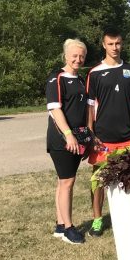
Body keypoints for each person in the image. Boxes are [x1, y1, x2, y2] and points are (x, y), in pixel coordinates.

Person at [86, 28, 130, 237]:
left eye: (118, 43)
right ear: (104, 45)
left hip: (129, 136)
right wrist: (91, 133)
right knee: (98, 180)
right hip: (103, 137)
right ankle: (97, 219)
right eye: (110, 44)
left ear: (122, 44)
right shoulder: (94, 73)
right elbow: (90, 106)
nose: (114, 47)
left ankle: (129, 215)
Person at [46, 38, 90, 245]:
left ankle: (60, 224)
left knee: (63, 181)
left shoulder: (80, 79)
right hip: (61, 139)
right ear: (65, 55)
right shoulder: (56, 78)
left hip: (77, 138)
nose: (78, 59)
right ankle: (69, 229)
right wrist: (68, 135)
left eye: (81, 56)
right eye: (74, 56)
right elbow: (55, 109)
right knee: (67, 182)